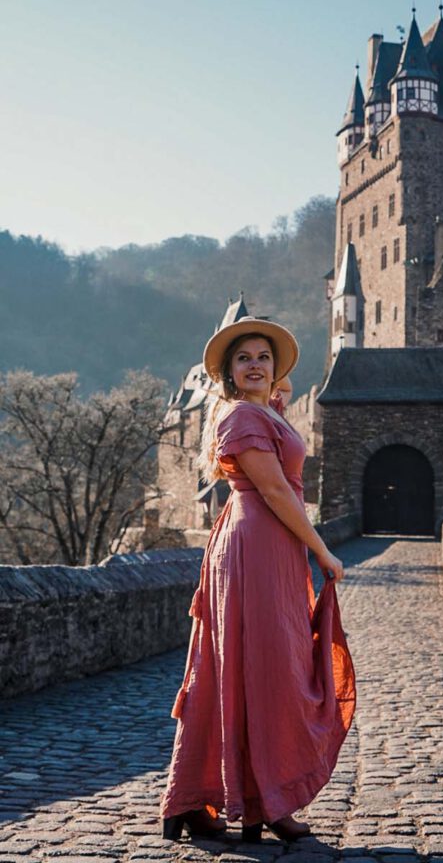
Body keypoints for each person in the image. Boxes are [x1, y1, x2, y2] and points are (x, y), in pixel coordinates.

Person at [159, 316, 356, 845]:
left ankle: (243, 800)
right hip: (257, 543)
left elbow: (279, 469)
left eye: (263, 358)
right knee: (266, 669)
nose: (254, 364)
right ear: (228, 370)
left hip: (268, 544)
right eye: (243, 357)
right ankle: (258, 802)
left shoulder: (258, 412)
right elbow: (273, 490)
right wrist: (323, 551)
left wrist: (277, 404)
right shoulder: (243, 416)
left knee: (255, 665)